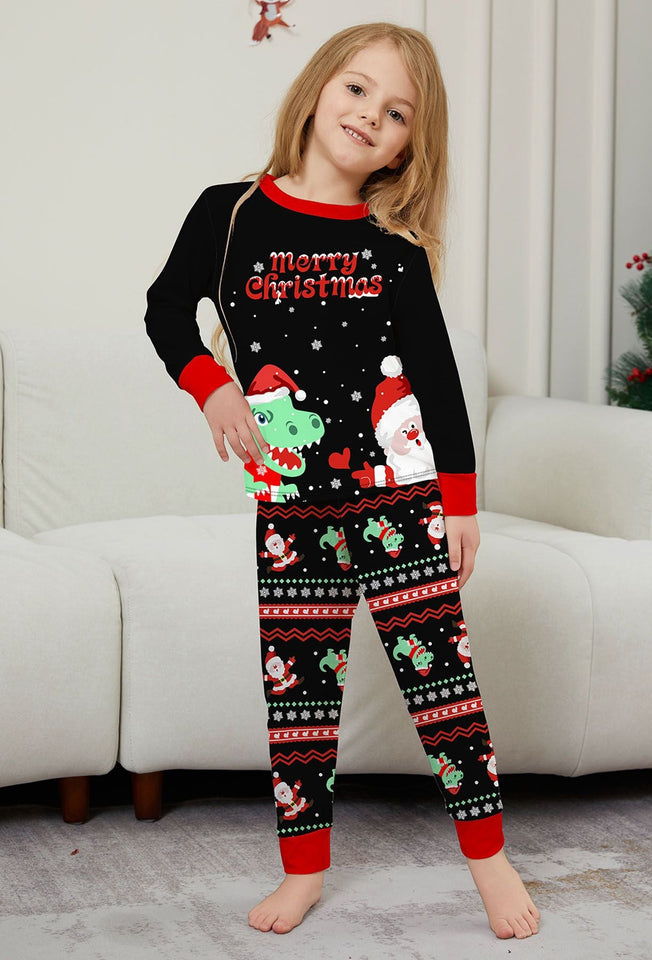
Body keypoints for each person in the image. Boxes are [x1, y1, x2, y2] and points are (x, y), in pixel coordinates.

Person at [144, 21, 540, 941]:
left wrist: (460, 500)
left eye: (397, 113)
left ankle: (489, 861)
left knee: (443, 685)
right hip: (291, 503)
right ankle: (304, 870)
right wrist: (211, 387)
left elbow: (434, 375)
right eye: (358, 89)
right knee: (300, 697)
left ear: (407, 147)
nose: (370, 115)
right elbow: (166, 310)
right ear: (320, 86)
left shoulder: (391, 245)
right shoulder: (230, 214)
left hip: (401, 497)